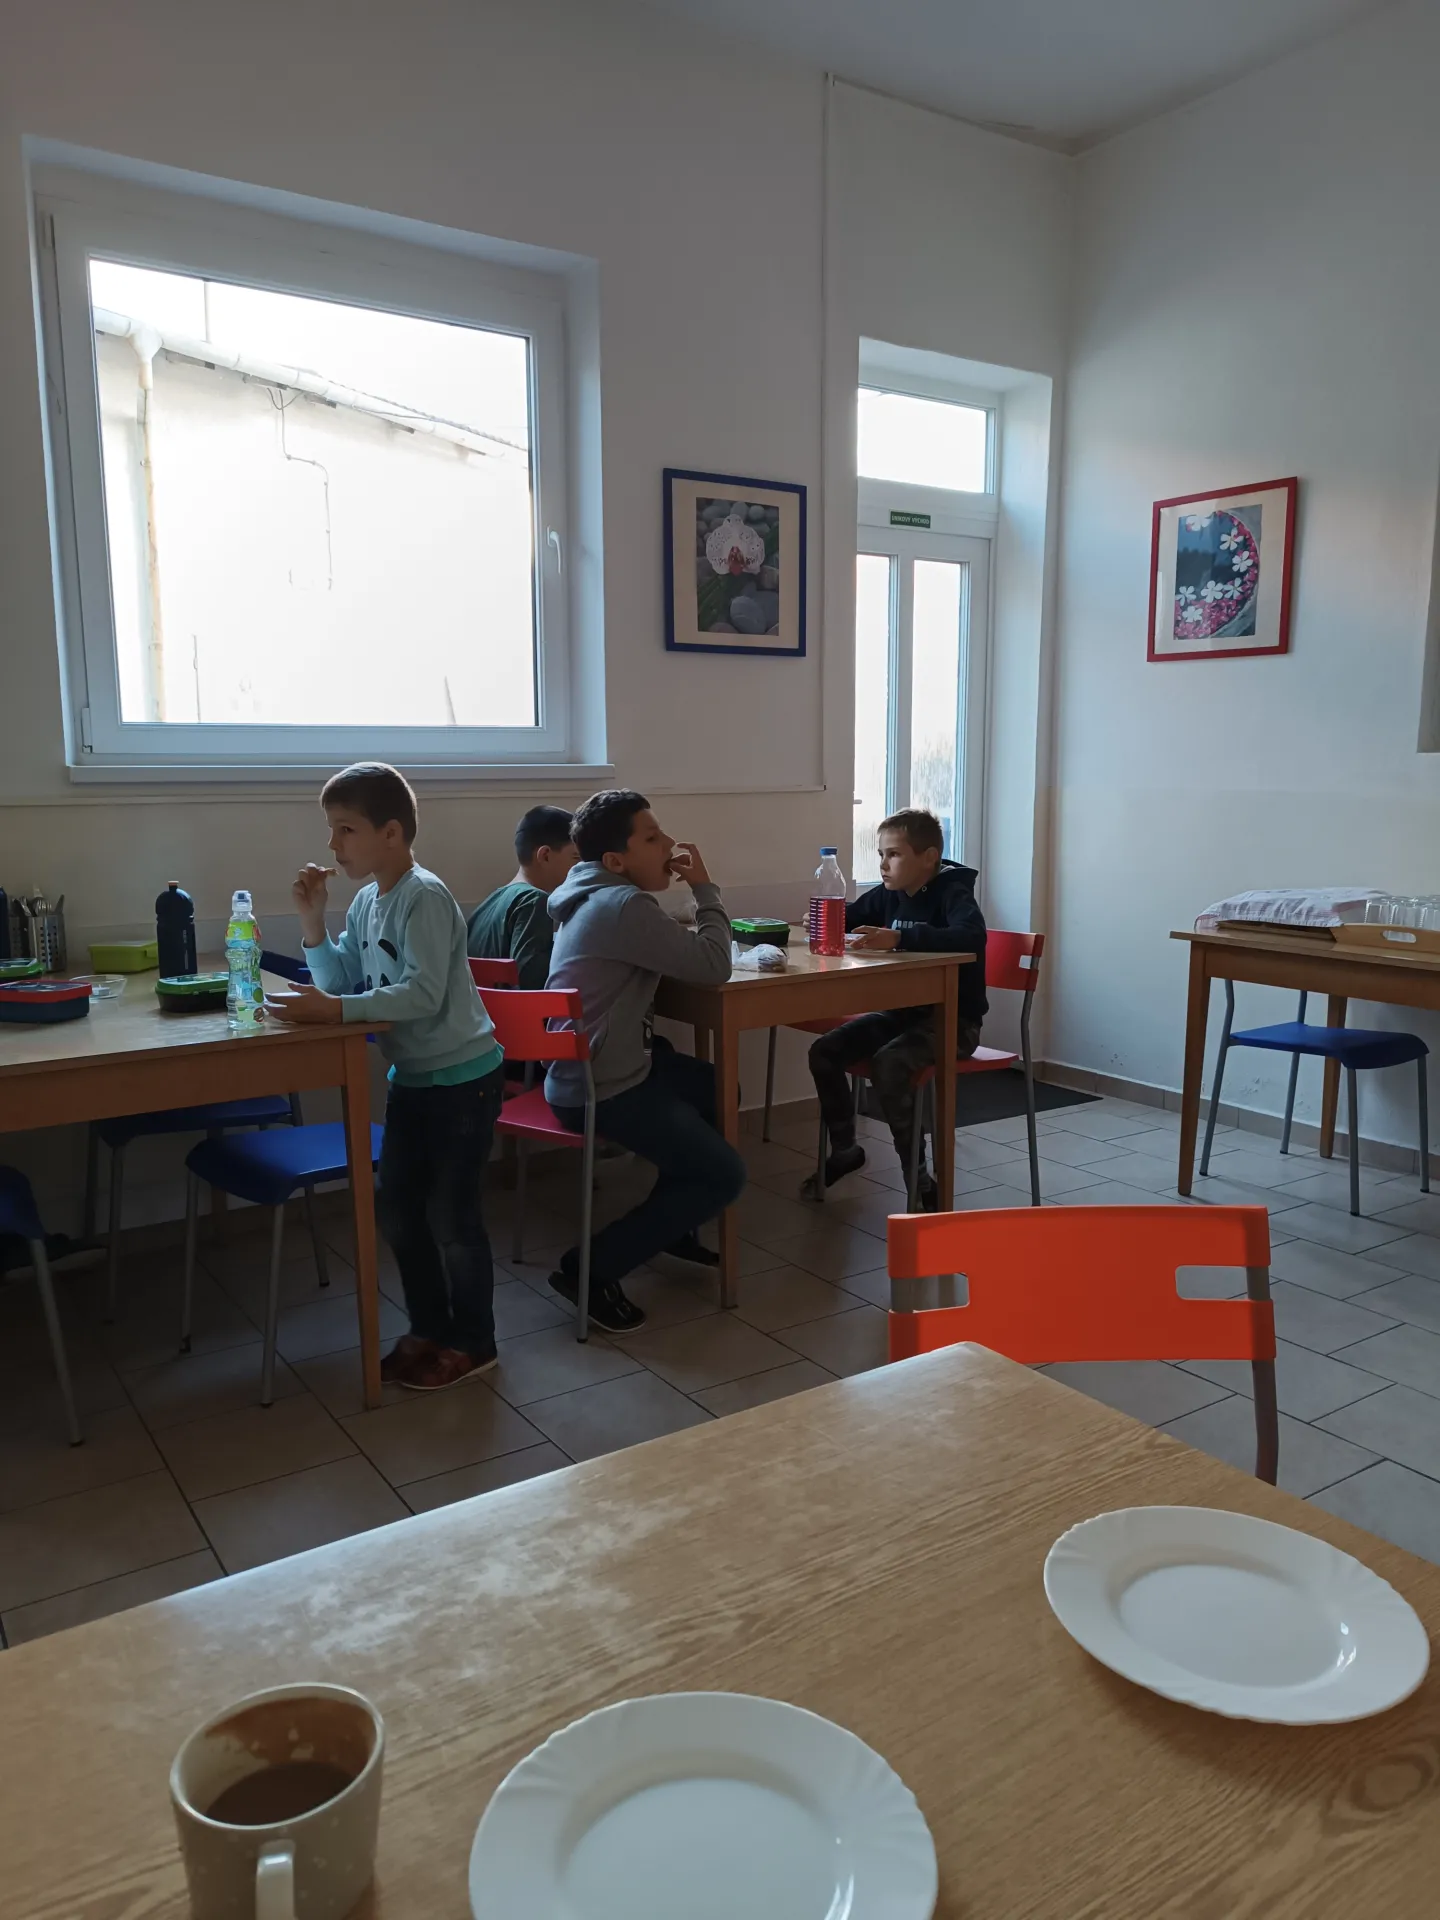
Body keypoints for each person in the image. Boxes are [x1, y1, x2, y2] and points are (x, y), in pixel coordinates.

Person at [269, 761, 505, 1392]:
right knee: (399, 1210)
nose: (333, 844)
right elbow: (341, 980)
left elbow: (422, 995)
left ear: (392, 833)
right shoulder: (369, 901)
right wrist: (314, 923)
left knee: (453, 1220)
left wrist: (336, 1011)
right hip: (414, 1078)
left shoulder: (423, 896)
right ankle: (429, 1327)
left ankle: (475, 1341)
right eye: (331, 829)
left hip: (462, 1078)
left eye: (346, 829)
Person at [543, 788, 746, 1333]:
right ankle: (589, 1270)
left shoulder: (586, 896)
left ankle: (674, 1223)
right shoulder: (622, 905)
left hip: (585, 1070)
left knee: (718, 1088)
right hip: (603, 1086)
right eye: (653, 838)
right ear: (615, 861)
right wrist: (705, 889)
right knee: (724, 1175)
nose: (669, 844)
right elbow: (714, 965)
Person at [807, 809, 987, 1208]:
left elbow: (971, 936)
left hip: (953, 1022)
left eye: (894, 854)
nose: (884, 864)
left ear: (928, 857)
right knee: (825, 1051)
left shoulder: (952, 891)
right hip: (902, 1015)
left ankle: (918, 1177)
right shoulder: (890, 892)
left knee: (889, 1064)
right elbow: (850, 917)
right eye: (881, 854)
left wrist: (900, 938)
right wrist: (821, 919)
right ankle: (846, 1150)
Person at [466, 805, 577, 989]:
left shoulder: (490, 902)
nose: (580, 867)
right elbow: (531, 986)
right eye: (576, 858)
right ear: (545, 855)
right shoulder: (534, 901)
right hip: (508, 1009)